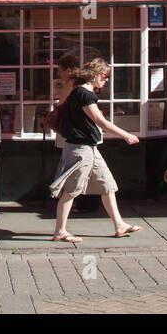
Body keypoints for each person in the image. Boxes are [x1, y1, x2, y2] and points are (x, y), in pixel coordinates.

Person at [49, 58, 143, 242]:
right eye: (105, 76)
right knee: (71, 190)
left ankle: (119, 225)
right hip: (79, 150)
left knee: (107, 184)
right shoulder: (84, 94)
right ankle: (60, 231)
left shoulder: (81, 92)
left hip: (89, 148)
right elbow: (101, 122)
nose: (106, 80)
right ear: (98, 74)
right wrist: (126, 135)